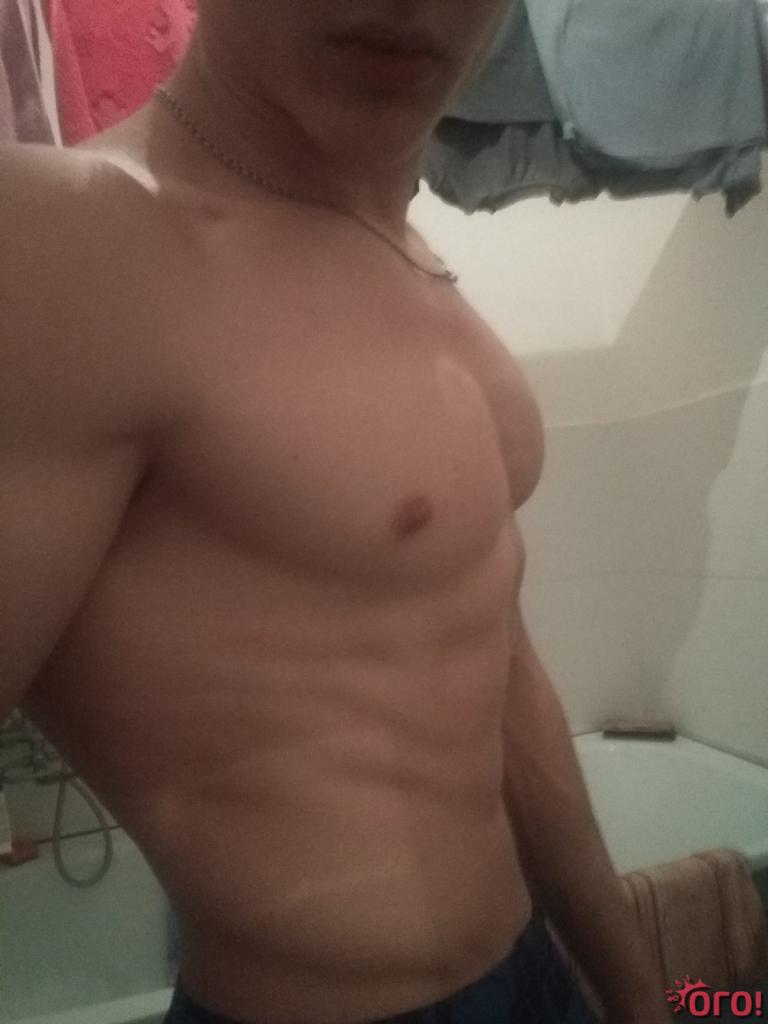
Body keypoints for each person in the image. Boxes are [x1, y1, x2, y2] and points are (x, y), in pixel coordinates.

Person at [0, 3, 670, 1022]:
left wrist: (637, 996)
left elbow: (505, 677)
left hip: (539, 974)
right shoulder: (68, 239)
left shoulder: (416, 262)